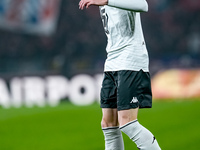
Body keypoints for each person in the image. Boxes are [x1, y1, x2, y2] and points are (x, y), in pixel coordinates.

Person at [79, 0, 161, 149]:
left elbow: (143, 4)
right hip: (112, 60)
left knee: (128, 123)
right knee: (108, 124)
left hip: (131, 58)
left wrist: (106, 1)